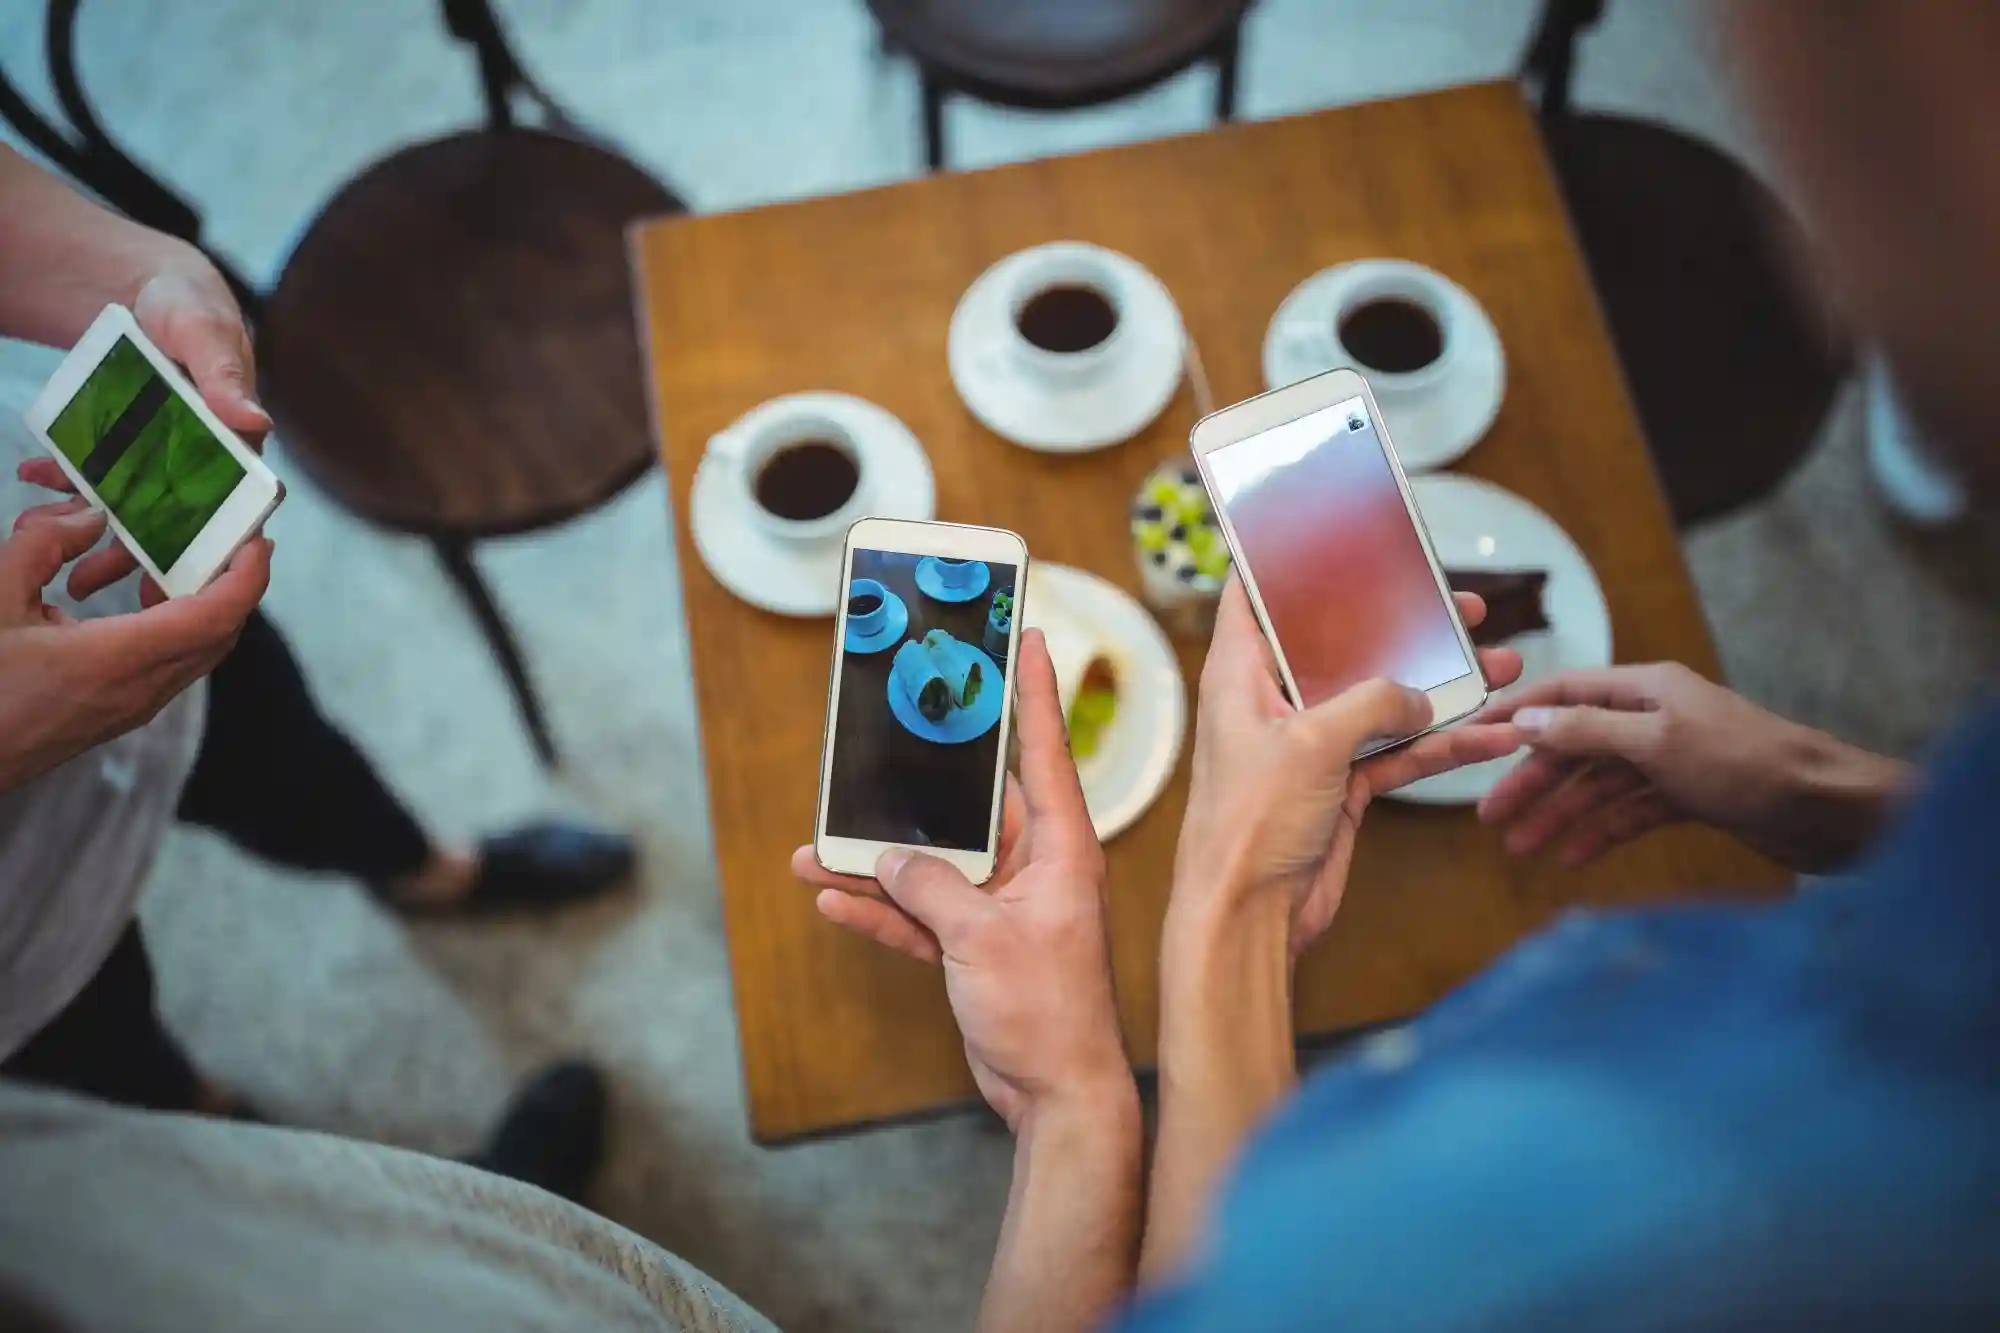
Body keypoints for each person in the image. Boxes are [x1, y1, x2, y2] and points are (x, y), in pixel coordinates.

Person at [6, 1, 2000, 1328]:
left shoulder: (1547, 1235)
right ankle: (303, 1010)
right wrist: (1846, 795)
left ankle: (371, 943)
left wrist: (1175, 963)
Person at [0, 142, 628, 1165]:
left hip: (89, 534)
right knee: (108, 1065)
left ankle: (425, 871)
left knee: (278, 744)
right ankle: (236, 1140)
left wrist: (139, 273)